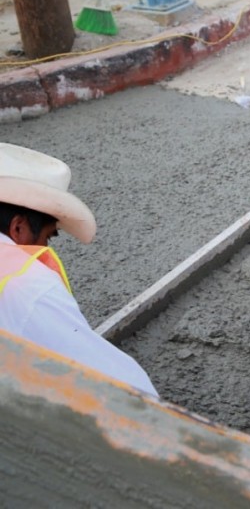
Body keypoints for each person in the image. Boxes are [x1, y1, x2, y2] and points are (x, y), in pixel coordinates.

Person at [0, 143, 158, 397]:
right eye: (47, 237)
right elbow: (120, 387)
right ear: (19, 228)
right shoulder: (27, 285)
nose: (45, 246)